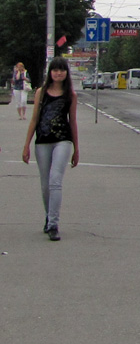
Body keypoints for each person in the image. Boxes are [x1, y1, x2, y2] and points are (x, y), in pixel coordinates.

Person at [22, 56, 80, 242]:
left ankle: (54, 224)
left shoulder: (70, 95)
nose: (58, 73)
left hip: (62, 140)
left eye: (61, 70)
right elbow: (34, 119)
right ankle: (49, 217)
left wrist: (76, 149)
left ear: (66, 73)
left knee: (56, 180)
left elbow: (73, 122)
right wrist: (26, 145)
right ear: (50, 72)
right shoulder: (41, 92)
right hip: (43, 141)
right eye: (55, 70)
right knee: (45, 184)